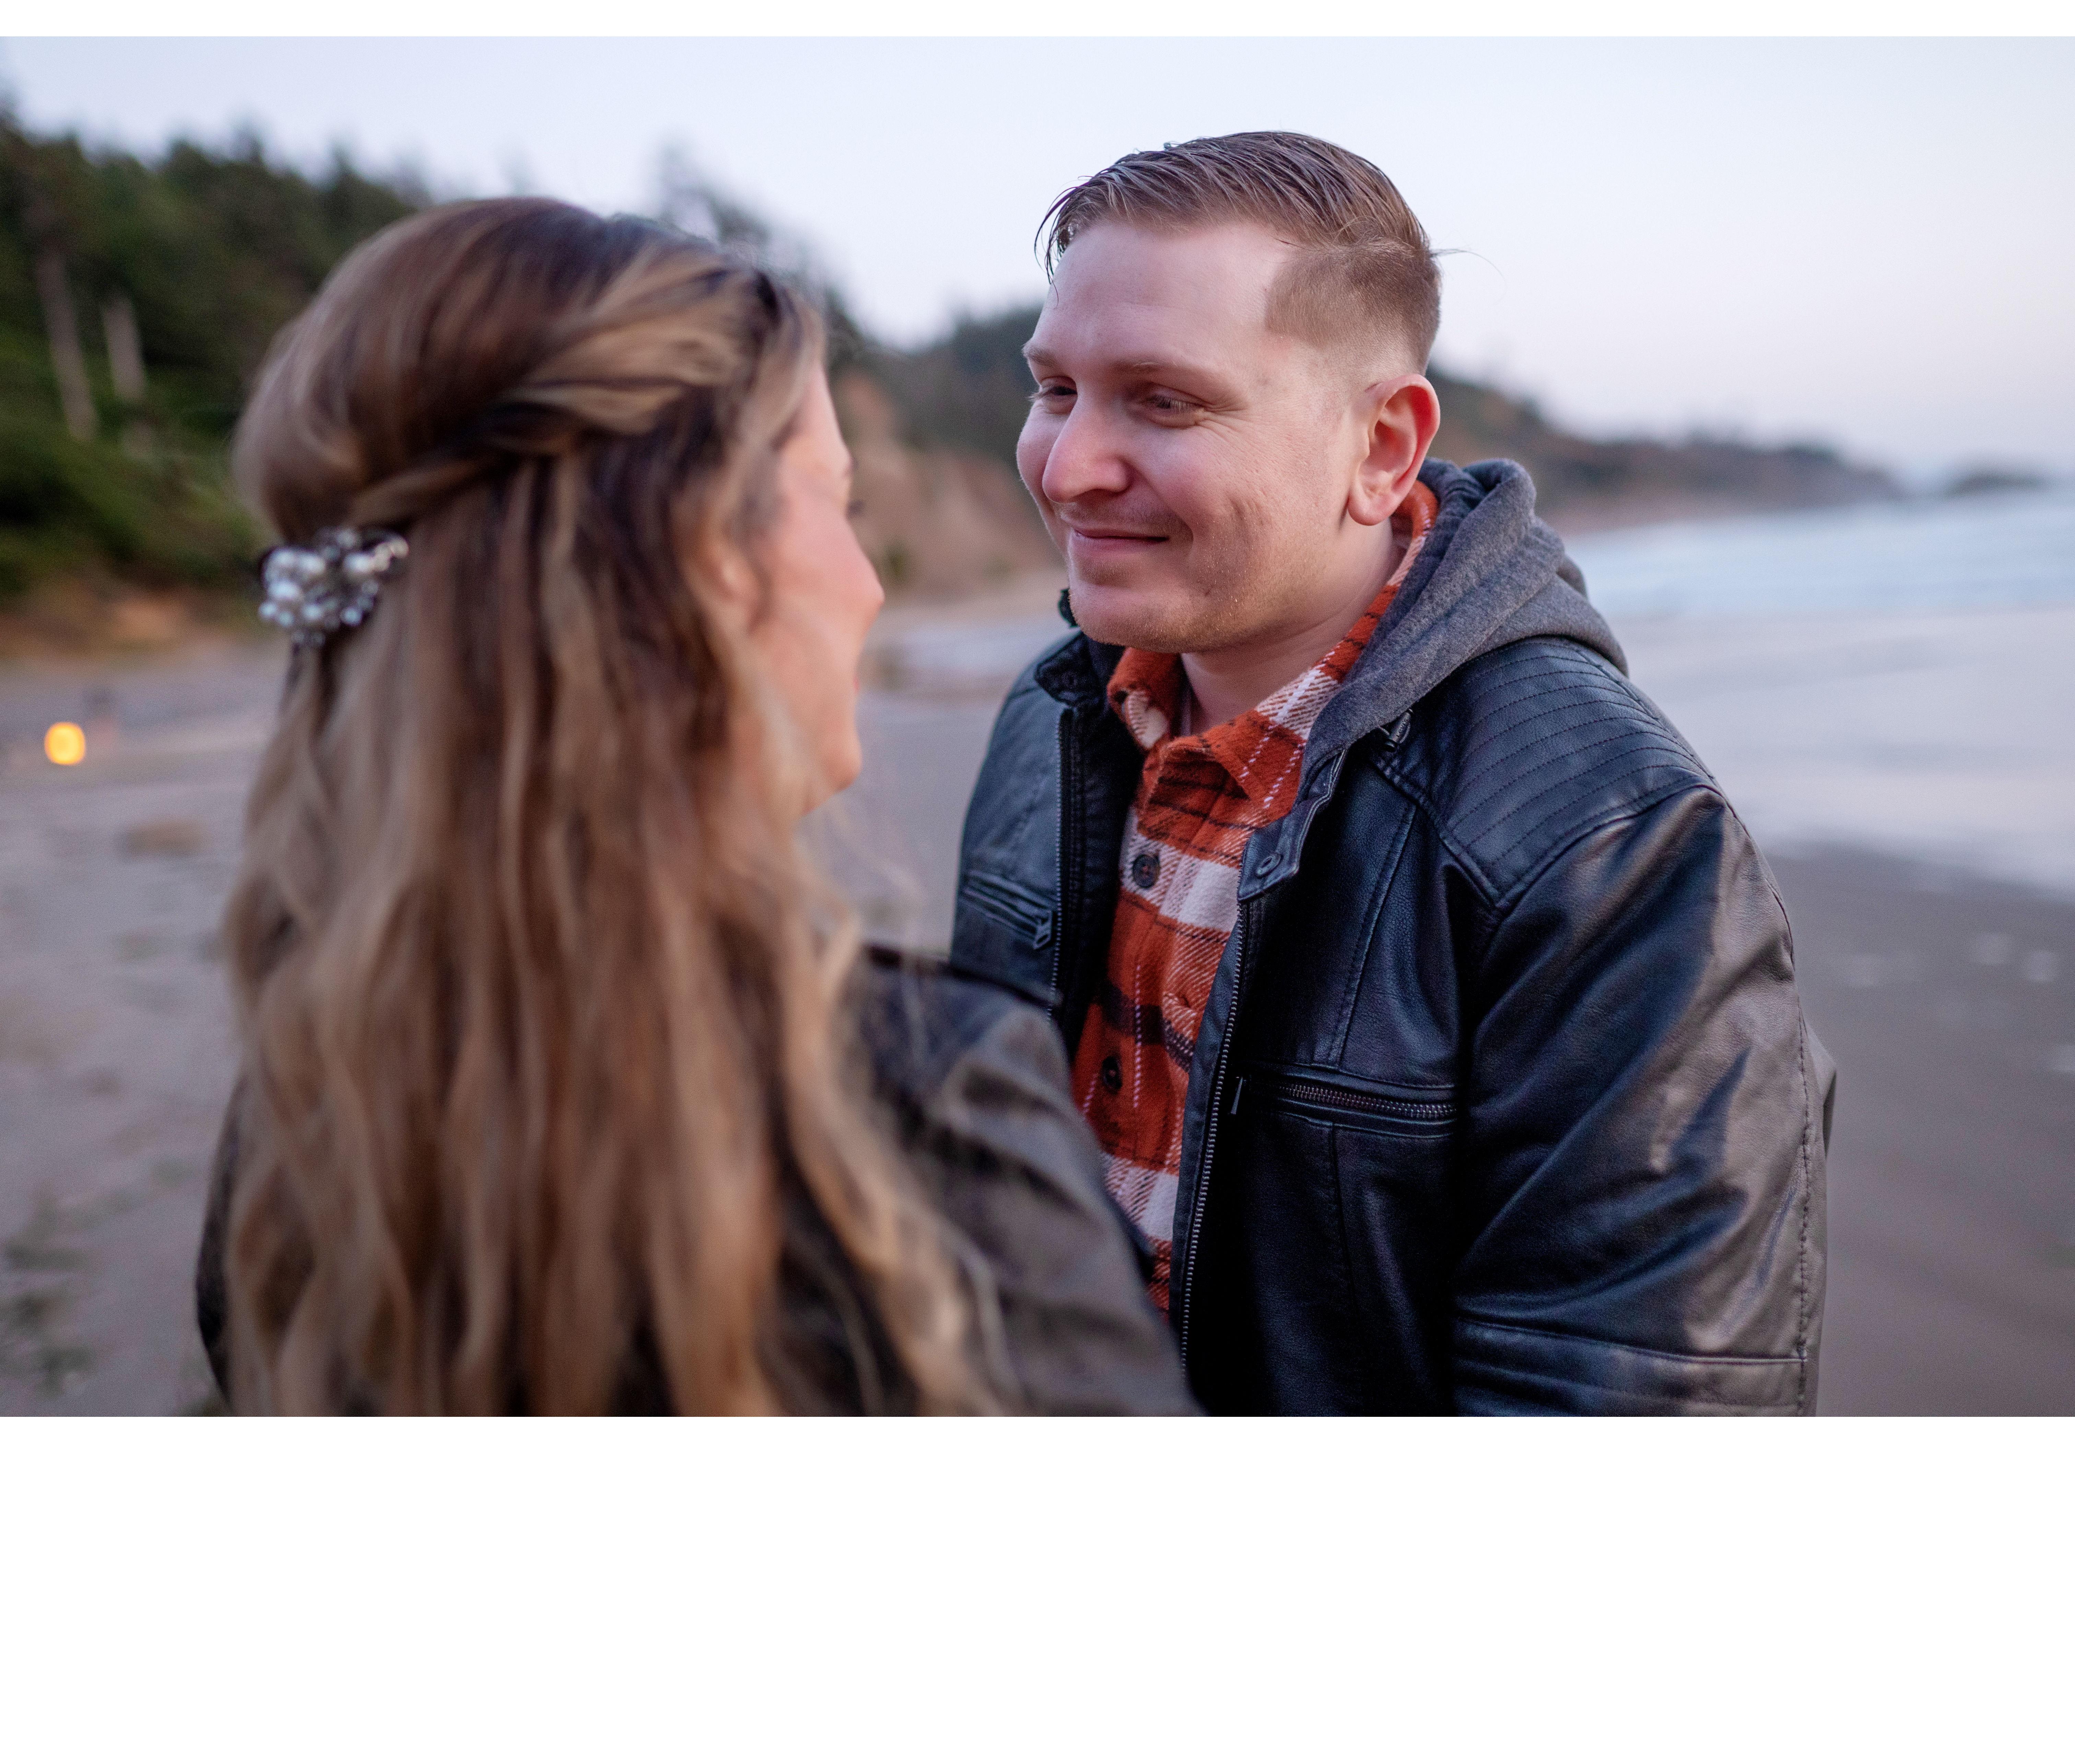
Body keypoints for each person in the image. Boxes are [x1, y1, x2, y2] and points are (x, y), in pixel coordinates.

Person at [195, 197, 1194, 1416]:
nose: (871, 586)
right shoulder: (917, 1116)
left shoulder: (311, 1092)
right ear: (712, 558)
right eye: (841, 503)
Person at [952, 131, 1836, 1415]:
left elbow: (1639, 1396)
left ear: (1381, 449)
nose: (1071, 465)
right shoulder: (1052, 724)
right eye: (1055, 390)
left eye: (1166, 401)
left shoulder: (1609, 842)